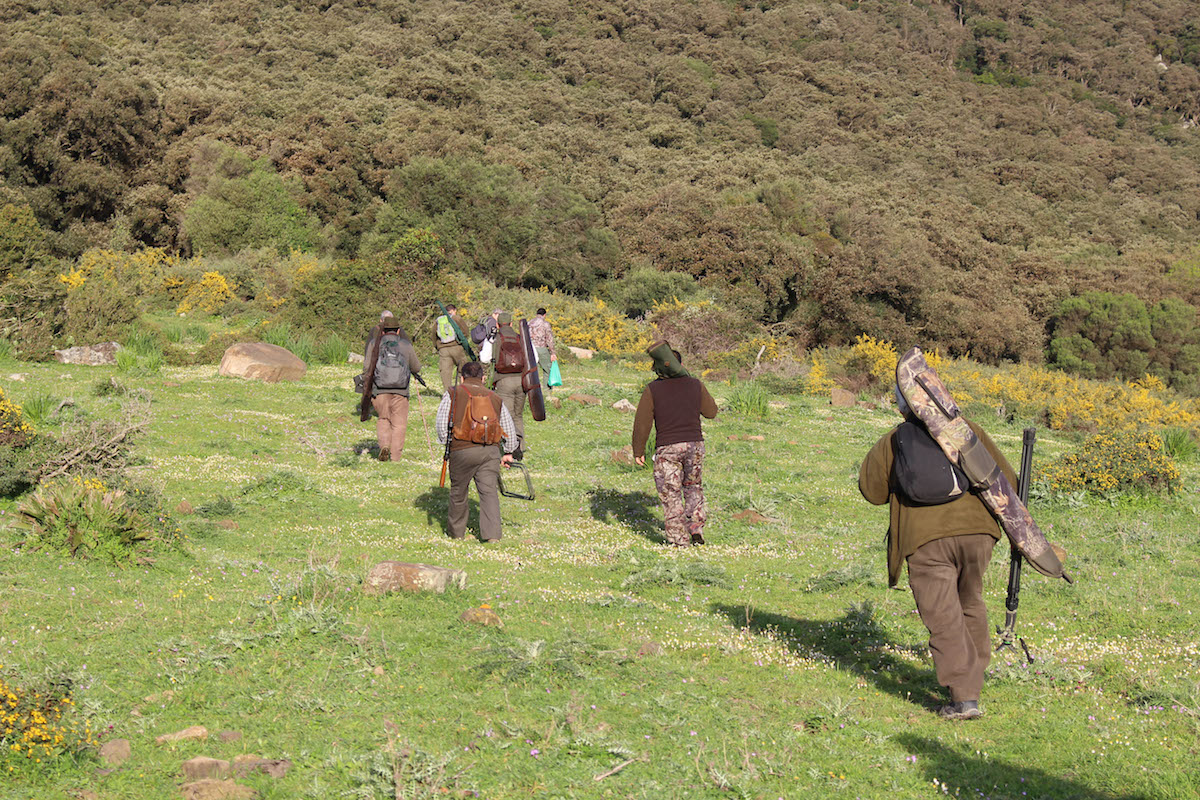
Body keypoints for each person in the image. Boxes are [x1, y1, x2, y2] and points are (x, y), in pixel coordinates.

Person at [858, 385, 1017, 721]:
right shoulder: (965, 429)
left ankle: (964, 698)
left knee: (943, 614)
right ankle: (972, 678)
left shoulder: (893, 440)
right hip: (979, 534)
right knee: (969, 600)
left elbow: (871, 491)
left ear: (902, 409)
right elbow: (1007, 480)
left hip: (926, 538)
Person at [631, 348, 718, 547]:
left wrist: (638, 450)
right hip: (695, 446)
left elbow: (642, 422)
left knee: (670, 492)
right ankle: (695, 529)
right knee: (693, 487)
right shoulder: (695, 384)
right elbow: (711, 412)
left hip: (667, 448)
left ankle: (679, 540)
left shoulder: (653, 389)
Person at [435, 361, 518, 542]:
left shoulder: (453, 394)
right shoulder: (494, 397)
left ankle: (457, 534)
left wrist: (447, 444)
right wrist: (509, 452)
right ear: (482, 378)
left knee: (459, 491)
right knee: (489, 493)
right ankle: (492, 536)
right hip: (490, 452)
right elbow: (509, 428)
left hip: (461, 450)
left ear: (463, 377)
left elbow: (442, 425)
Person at [362, 312, 423, 462]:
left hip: (380, 389)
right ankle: (396, 457)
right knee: (399, 424)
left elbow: (366, 367)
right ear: (398, 330)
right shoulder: (406, 345)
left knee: (383, 419)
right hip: (401, 390)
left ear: (382, 330)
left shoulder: (374, 344)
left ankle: (384, 446)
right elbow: (416, 367)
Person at [490, 311, 527, 458]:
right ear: (511, 323)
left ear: (498, 325)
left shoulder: (496, 338)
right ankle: (520, 448)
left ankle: (509, 449)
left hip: (504, 380)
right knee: (518, 415)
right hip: (521, 380)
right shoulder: (520, 338)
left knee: (506, 415)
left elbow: (488, 358)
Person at [433, 303, 472, 393]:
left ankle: (448, 395)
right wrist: (460, 342)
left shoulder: (439, 320)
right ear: (454, 310)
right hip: (456, 347)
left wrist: (438, 346)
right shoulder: (456, 318)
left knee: (446, 373)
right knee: (462, 370)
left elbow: (433, 335)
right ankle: (463, 392)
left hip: (443, 350)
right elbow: (465, 332)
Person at [527, 307, 557, 387]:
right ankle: (547, 391)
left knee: (531, 371)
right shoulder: (545, 324)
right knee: (547, 369)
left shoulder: (529, 323)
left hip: (530, 348)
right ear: (544, 315)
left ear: (536, 314)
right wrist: (552, 352)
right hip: (541, 348)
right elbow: (549, 339)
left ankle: (531, 389)